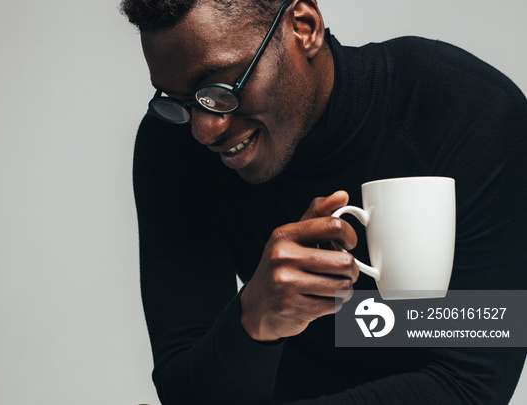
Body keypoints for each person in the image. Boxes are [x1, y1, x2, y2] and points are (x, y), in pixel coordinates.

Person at [121, 0, 527, 403]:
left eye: (221, 88)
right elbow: (185, 392)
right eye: (181, 101)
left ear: (304, 25)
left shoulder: (470, 111)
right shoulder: (173, 143)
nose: (205, 129)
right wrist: (252, 322)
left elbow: (471, 387)